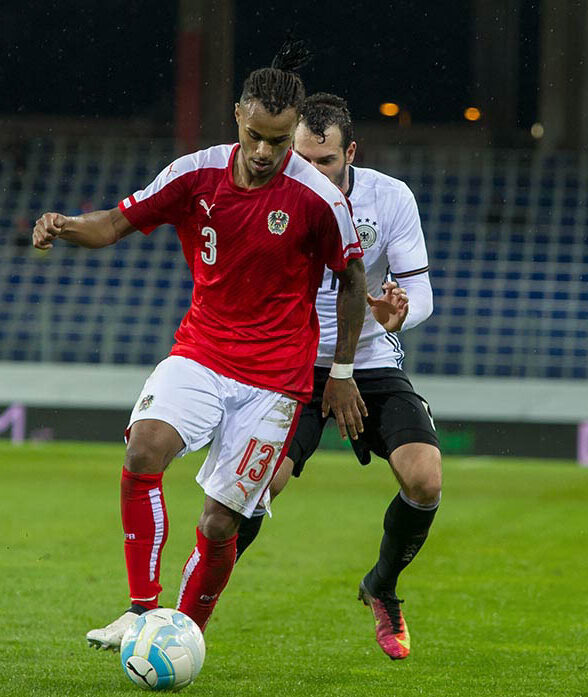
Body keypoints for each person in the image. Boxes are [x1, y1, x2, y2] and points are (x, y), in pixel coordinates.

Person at [31, 41, 368, 650]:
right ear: (238, 115)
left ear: (293, 131)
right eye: (257, 136)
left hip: (275, 380)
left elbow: (351, 279)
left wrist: (341, 370)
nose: (266, 153)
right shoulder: (196, 172)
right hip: (202, 353)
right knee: (144, 452)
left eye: (281, 140)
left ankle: (182, 635)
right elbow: (112, 223)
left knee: (219, 524)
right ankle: (141, 613)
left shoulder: (320, 200)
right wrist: (64, 225)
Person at [234, 93, 441, 661]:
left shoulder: (390, 197)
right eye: (300, 158)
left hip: (370, 361)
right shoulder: (272, 192)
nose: (311, 172)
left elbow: (419, 291)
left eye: (324, 162)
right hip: (293, 362)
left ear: (350, 152)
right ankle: (188, 611)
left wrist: (400, 313)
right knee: (254, 489)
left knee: (424, 480)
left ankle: (382, 586)